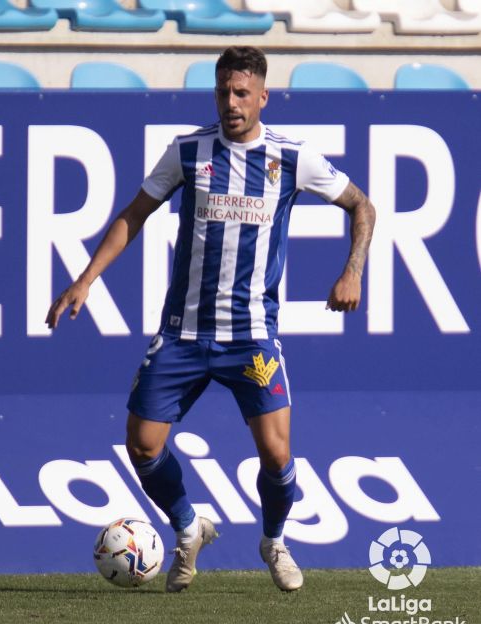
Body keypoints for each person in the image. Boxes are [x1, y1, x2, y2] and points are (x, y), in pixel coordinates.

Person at [46, 47, 374, 592]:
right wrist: (85, 279)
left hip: (251, 336)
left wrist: (353, 272)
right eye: (223, 90)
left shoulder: (292, 158)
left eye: (242, 92)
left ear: (263, 96)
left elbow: (363, 205)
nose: (231, 102)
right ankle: (188, 526)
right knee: (143, 444)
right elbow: (134, 214)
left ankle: (273, 539)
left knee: (276, 452)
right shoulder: (188, 151)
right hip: (183, 332)